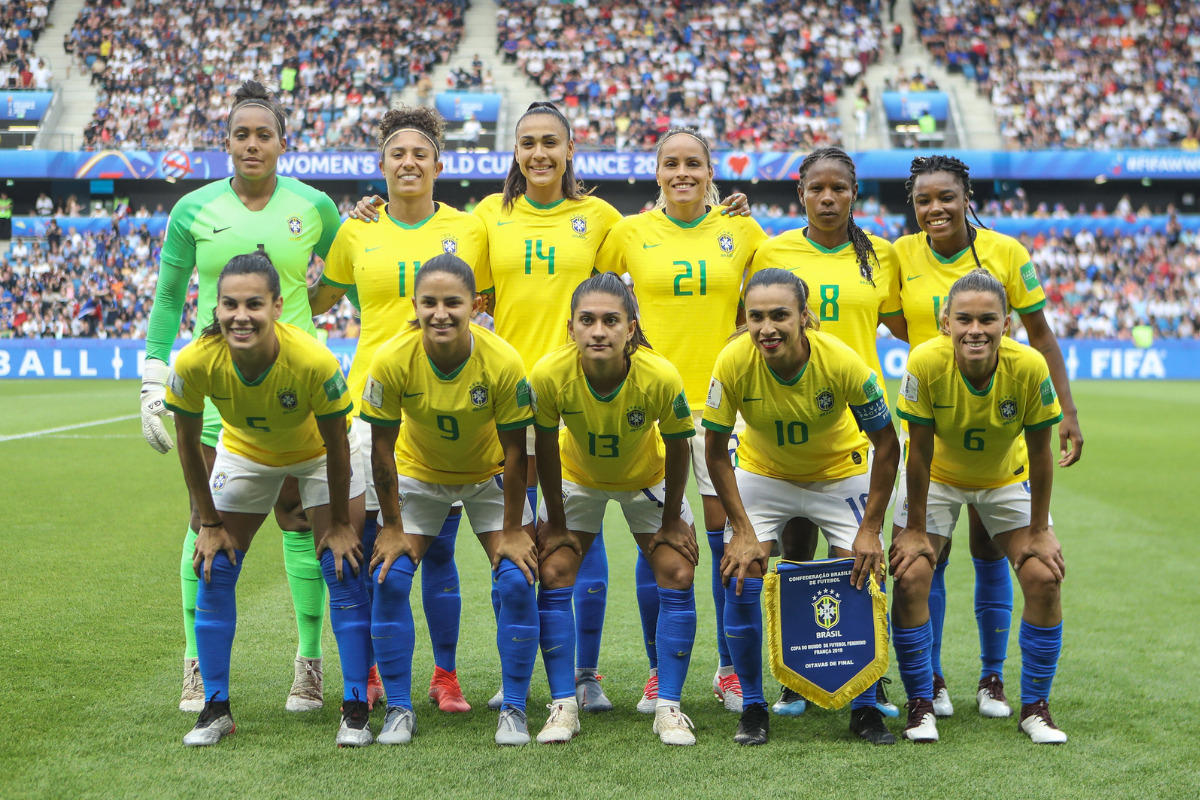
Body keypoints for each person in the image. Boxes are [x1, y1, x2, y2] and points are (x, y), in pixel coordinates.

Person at [139, 80, 343, 713]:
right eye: (241, 134)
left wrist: (309, 330)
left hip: (296, 388)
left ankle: (308, 663)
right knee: (203, 521)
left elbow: (341, 281)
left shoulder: (314, 206)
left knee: (304, 521)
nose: (252, 144)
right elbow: (171, 296)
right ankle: (197, 665)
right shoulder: (192, 210)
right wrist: (154, 370)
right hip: (216, 388)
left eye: (264, 134)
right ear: (225, 142)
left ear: (283, 142)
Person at [309, 106, 487, 713]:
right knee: (371, 546)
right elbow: (317, 300)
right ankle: (379, 675)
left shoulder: (470, 230)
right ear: (380, 165)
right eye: (396, 154)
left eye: (419, 154)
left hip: (445, 405)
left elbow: (488, 303)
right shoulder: (355, 232)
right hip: (368, 409)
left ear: (439, 164)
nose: (408, 162)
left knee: (436, 550)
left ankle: (445, 675)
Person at [893, 154, 1082, 720]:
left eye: (946, 197)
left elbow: (1042, 337)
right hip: (939, 414)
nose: (935, 209)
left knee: (990, 556)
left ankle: (993, 679)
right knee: (928, 560)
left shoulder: (1007, 253)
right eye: (924, 200)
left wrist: (1067, 409)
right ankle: (932, 680)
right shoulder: (900, 255)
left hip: (1000, 431)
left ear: (966, 195)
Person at [594, 127, 765, 716]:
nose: (683, 172)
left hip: (723, 409)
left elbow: (766, 298)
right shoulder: (629, 232)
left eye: (694, 163)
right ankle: (657, 671)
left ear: (711, 171)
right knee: (657, 541)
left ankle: (730, 670)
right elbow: (595, 297)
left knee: (726, 541)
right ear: (657, 172)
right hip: (650, 405)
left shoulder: (741, 230)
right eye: (672, 163)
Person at [164, 252, 367, 747]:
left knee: (341, 564)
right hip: (247, 452)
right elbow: (189, 444)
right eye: (229, 304)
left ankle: (356, 708)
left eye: (254, 304)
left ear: (277, 306)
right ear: (216, 308)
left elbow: (338, 443)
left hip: (321, 454)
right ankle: (215, 709)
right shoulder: (193, 361)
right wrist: (208, 521)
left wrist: (339, 521)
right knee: (213, 562)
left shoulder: (313, 360)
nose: (241, 315)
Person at [704, 269, 900, 746]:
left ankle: (865, 706)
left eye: (779, 315)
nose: (766, 328)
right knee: (742, 572)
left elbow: (888, 445)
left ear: (803, 316)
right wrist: (742, 528)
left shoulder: (842, 362)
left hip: (838, 472)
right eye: (756, 317)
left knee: (862, 569)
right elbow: (713, 453)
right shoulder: (733, 361)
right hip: (764, 472)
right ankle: (753, 707)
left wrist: (871, 528)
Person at [747, 146, 905, 718]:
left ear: (854, 194)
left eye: (839, 189)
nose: (828, 198)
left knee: (858, 558)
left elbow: (908, 324)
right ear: (802, 194)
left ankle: (868, 675)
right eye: (817, 189)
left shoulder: (881, 256)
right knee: (793, 545)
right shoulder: (774, 249)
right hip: (782, 421)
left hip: (854, 426)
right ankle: (797, 671)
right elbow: (749, 316)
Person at [361, 254, 538, 746]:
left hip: (487, 477)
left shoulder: (502, 361)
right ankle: (399, 708)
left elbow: (516, 450)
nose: (440, 313)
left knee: (518, 579)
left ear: (475, 305)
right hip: (420, 475)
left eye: (453, 303)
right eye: (430, 303)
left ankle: (516, 711)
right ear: (414, 305)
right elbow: (381, 450)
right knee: (390, 578)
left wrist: (512, 529)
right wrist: (392, 526)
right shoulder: (392, 359)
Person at [890, 269, 1067, 744]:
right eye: (964, 319)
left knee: (1044, 576)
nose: (975, 330)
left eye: (987, 320)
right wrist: (913, 529)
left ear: (1005, 323)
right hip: (939, 479)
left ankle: (1035, 707)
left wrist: (1038, 530)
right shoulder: (924, 362)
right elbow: (920, 453)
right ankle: (921, 702)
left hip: (1005, 479)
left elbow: (1041, 453)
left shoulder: (1028, 366)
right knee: (910, 575)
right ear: (945, 321)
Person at [530, 273, 699, 746]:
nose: (598, 331)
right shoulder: (548, 374)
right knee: (554, 570)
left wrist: (670, 521)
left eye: (610, 320)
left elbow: (679, 443)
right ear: (571, 328)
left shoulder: (659, 375)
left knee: (678, 572)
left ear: (631, 327)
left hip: (645, 480)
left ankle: (669, 706)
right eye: (587, 320)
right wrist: (557, 524)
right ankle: (563, 705)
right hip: (578, 479)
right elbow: (544, 447)